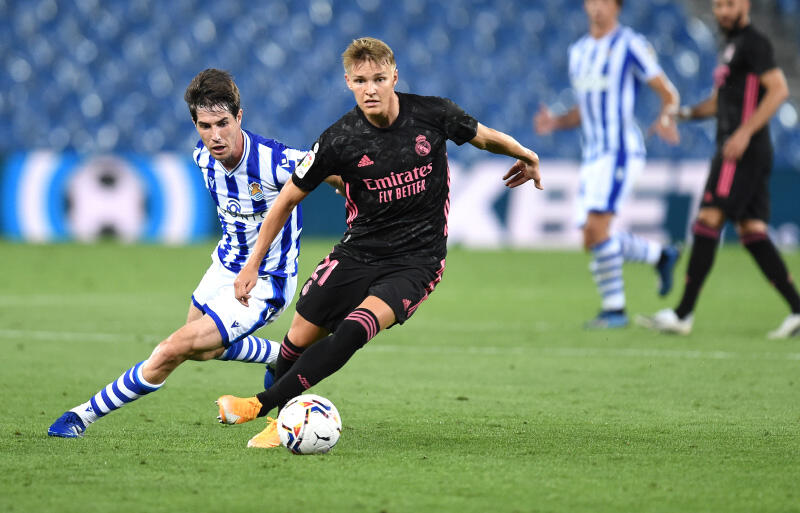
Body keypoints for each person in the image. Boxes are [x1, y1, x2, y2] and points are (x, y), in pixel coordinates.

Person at [214, 37, 542, 448]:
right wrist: (252, 265)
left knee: (354, 330)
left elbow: (484, 137)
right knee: (297, 340)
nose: (370, 89)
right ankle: (283, 418)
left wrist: (526, 154)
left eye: (379, 79)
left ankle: (258, 406)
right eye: (361, 81)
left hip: (416, 261)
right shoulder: (338, 140)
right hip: (358, 252)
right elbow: (285, 201)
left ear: (394, 77)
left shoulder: (433, 114)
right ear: (348, 82)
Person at [47, 69, 328, 437]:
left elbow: (332, 170)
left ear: (239, 117)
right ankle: (279, 356)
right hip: (224, 266)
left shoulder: (276, 160)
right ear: (195, 124)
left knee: (172, 349)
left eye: (223, 123)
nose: (215, 135)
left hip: (265, 280)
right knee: (202, 348)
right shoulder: (203, 157)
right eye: (205, 126)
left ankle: (81, 416)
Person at [637, 0, 799, 338]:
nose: (723, 11)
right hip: (743, 149)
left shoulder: (754, 42)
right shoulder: (730, 46)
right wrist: (681, 114)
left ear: (745, 5)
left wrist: (744, 132)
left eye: (729, 4)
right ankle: (798, 309)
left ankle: (682, 314)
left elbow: (779, 89)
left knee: (707, 221)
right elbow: (720, 101)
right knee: (752, 231)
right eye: (718, 5)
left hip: (740, 152)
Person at [534, 0, 682, 329]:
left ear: (617, 7)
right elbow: (585, 108)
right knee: (591, 238)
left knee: (598, 229)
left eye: (605, 1)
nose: (597, 7)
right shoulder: (579, 51)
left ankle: (615, 310)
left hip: (620, 150)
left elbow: (668, 92)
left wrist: (667, 117)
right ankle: (660, 255)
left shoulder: (631, 45)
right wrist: (556, 122)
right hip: (592, 155)